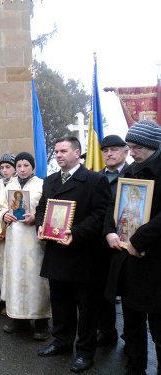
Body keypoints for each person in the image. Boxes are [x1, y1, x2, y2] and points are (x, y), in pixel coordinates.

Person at [35, 136, 111, 373]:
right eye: (56, 151)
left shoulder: (95, 180)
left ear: (77, 153)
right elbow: (41, 209)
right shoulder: (50, 181)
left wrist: (75, 233)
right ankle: (61, 341)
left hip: (84, 254)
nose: (58, 155)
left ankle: (86, 352)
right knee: (60, 304)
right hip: (57, 253)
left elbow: (101, 215)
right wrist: (40, 225)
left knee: (87, 307)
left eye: (63, 151)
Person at [104, 120, 161, 375]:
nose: (132, 152)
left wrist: (138, 240)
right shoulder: (130, 171)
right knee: (132, 322)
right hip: (128, 258)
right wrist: (110, 232)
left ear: (152, 145)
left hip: (155, 260)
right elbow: (113, 207)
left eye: (136, 147)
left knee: (159, 326)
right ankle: (134, 367)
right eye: (130, 147)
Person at [0, 152, 51, 340]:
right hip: (14, 239)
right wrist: (4, 215)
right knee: (15, 276)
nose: (21, 169)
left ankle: (41, 322)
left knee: (36, 278)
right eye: (18, 165)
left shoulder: (42, 185)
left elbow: (47, 208)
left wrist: (36, 218)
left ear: (32, 167)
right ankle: (18, 319)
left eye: (26, 165)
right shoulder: (9, 185)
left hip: (34, 240)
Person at [96, 134, 129, 347]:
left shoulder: (134, 175)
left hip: (125, 243)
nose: (109, 153)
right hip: (99, 243)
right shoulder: (96, 178)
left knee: (128, 293)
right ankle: (107, 332)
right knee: (101, 291)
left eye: (114, 149)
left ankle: (131, 338)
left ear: (125, 151)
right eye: (106, 150)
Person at [0, 152, 17, 309]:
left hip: (15, 233)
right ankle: (5, 301)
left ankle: (15, 302)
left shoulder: (18, 184)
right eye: (2, 167)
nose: (5, 170)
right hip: (0, 235)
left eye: (8, 167)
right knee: (3, 268)